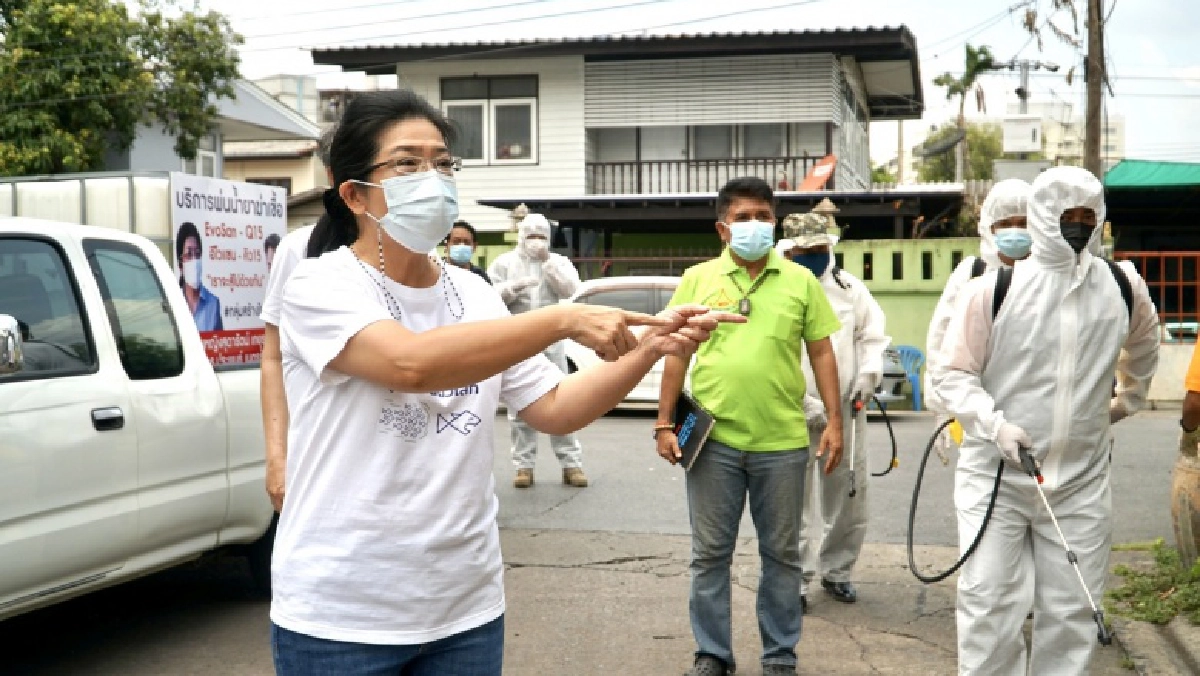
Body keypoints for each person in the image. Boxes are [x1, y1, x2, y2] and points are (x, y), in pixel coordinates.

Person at [270, 88, 741, 676]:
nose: (433, 177)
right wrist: (564, 317)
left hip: (465, 609)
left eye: (443, 162)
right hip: (342, 614)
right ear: (356, 194)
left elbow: (555, 408)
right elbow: (409, 364)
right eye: (408, 163)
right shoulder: (321, 286)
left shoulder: (473, 293)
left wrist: (650, 348)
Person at [934, 166, 1159, 675]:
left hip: (1081, 480)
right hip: (998, 476)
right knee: (989, 603)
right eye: (1066, 215)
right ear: (1042, 216)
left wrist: (1129, 398)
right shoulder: (993, 291)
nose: (1077, 226)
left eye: (1088, 216)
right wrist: (994, 425)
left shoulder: (1122, 286)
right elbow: (952, 375)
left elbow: (1146, 343)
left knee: (1072, 610)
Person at [655, 177, 846, 676]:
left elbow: (822, 351)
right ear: (723, 228)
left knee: (781, 555)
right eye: (743, 218)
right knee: (709, 556)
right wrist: (662, 422)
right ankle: (712, 655)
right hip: (712, 442)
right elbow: (677, 352)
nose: (754, 226)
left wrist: (834, 422)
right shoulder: (697, 280)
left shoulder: (801, 281)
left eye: (763, 216)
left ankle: (780, 654)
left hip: (782, 442)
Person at [777, 212, 889, 612]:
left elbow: (871, 336)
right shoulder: (775, 288)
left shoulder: (848, 288)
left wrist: (867, 375)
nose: (815, 256)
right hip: (790, 408)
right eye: (806, 251)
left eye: (821, 249)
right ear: (789, 250)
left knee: (848, 493)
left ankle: (838, 571)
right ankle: (796, 580)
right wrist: (803, 401)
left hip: (844, 407)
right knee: (794, 501)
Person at [925, 178, 1032, 457]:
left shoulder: (1048, 278)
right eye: (1006, 224)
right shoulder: (973, 273)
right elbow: (941, 344)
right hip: (979, 414)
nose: (1015, 231)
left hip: (1036, 417)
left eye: (1024, 223)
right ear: (989, 228)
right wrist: (942, 410)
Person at [260, 126, 337, 512]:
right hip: (320, 460)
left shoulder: (420, 255)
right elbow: (273, 356)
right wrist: (277, 458)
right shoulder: (300, 249)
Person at [488, 212, 587, 488]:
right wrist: (511, 288)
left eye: (541, 236)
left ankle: (571, 464)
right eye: (530, 235)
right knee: (520, 407)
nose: (535, 241)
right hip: (518, 340)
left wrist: (548, 263)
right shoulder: (504, 263)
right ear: (520, 235)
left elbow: (571, 290)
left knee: (563, 400)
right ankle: (524, 466)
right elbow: (489, 296)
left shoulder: (558, 262)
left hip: (552, 342)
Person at [175, 221, 223, 332]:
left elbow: (219, 345)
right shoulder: (174, 303)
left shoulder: (213, 303)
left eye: (197, 254)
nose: (194, 260)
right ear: (180, 264)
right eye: (189, 255)